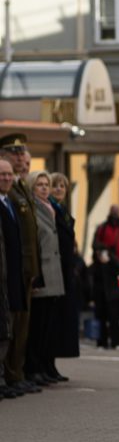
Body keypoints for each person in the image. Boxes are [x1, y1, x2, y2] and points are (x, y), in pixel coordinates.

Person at [0, 134, 41, 395]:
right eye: (13, 154)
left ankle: (17, 372)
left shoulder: (20, 187)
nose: (19, 159)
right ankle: (11, 374)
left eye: (21, 154)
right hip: (12, 270)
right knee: (10, 326)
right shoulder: (11, 191)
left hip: (23, 269)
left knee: (20, 326)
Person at [24, 171, 65, 386]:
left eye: (46, 184)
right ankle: (34, 368)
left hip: (54, 275)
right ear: (32, 187)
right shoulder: (33, 209)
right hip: (42, 276)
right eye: (39, 184)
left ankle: (43, 366)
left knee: (47, 328)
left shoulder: (50, 208)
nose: (44, 188)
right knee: (37, 327)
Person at [48, 173, 79, 373]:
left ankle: (51, 364)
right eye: (55, 185)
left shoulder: (63, 211)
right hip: (55, 269)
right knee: (52, 320)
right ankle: (46, 364)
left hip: (67, 270)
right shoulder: (50, 209)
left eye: (62, 186)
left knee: (59, 320)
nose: (59, 189)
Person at [92, 205, 119, 349]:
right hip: (103, 273)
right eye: (113, 210)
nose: (115, 212)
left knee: (117, 307)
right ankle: (102, 341)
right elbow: (95, 245)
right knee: (102, 309)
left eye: (117, 210)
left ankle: (116, 341)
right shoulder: (102, 228)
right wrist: (102, 254)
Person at [0, 160, 18, 399]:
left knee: (7, 331)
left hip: (7, 277)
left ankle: (5, 379)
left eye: (8, 174)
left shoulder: (10, 202)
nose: (5, 178)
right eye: (1, 174)